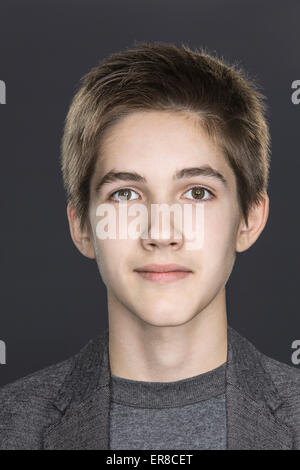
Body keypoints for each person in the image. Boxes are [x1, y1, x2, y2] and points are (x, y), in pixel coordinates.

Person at [0, 42, 299, 450]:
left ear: (249, 218)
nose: (161, 232)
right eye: (125, 195)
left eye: (196, 193)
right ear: (83, 226)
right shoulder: (10, 425)